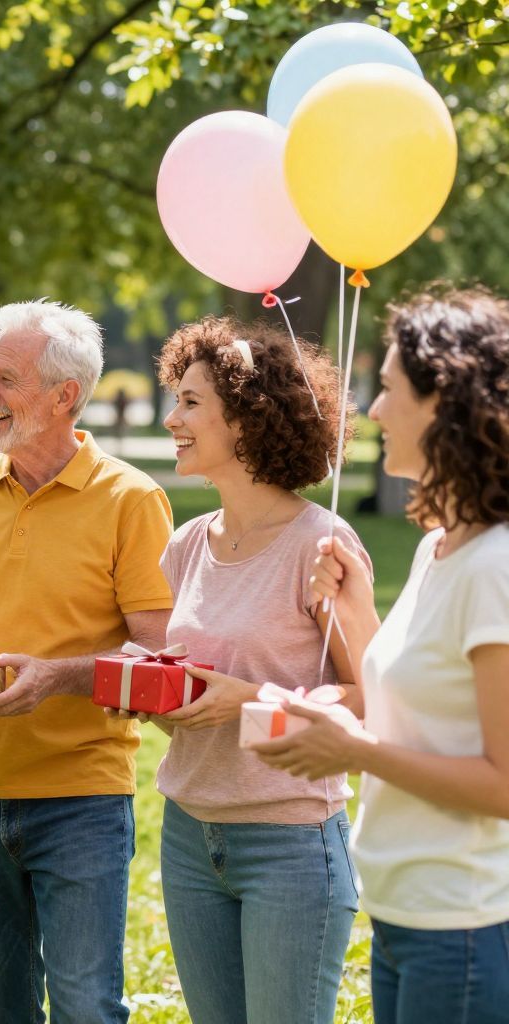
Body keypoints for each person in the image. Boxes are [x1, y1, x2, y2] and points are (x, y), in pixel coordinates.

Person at [0, 299, 176, 1023]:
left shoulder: (130, 499)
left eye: (4, 377)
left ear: (64, 396)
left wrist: (60, 677)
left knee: (86, 1008)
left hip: (81, 793)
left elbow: (160, 653)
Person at [255, 287, 509, 1024]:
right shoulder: (438, 548)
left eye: (389, 388)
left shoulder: (494, 567)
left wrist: (355, 751)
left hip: (463, 928)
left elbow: (502, 785)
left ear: (445, 404)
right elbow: (400, 705)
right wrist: (352, 629)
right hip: (404, 919)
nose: (370, 410)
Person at [147, 317, 367, 1023]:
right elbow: (200, 670)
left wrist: (253, 700)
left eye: (189, 403)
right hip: (189, 834)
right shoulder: (186, 545)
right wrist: (158, 693)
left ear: (245, 417)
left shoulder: (322, 545)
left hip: (291, 844)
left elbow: (372, 698)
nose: (170, 418)